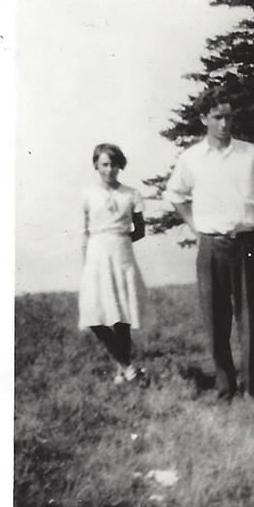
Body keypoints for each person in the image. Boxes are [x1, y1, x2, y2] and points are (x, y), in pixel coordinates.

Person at [164, 85, 254, 401]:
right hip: (211, 247)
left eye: (229, 117)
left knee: (249, 315)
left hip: (246, 242)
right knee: (215, 319)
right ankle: (224, 385)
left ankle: (253, 384)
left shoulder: (250, 152)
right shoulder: (191, 158)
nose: (224, 124)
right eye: (218, 117)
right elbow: (175, 195)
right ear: (204, 118)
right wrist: (195, 225)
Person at [79, 143, 149, 385]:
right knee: (94, 316)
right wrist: (86, 259)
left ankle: (123, 371)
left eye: (114, 164)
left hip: (121, 252)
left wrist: (119, 239)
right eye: (105, 165)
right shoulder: (88, 194)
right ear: (96, 166)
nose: (110, 170)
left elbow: (140, 230)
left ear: (121, 165)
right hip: (96, 255)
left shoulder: (131, 193)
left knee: (122, 315)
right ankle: (128, 367)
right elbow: (84, 232)